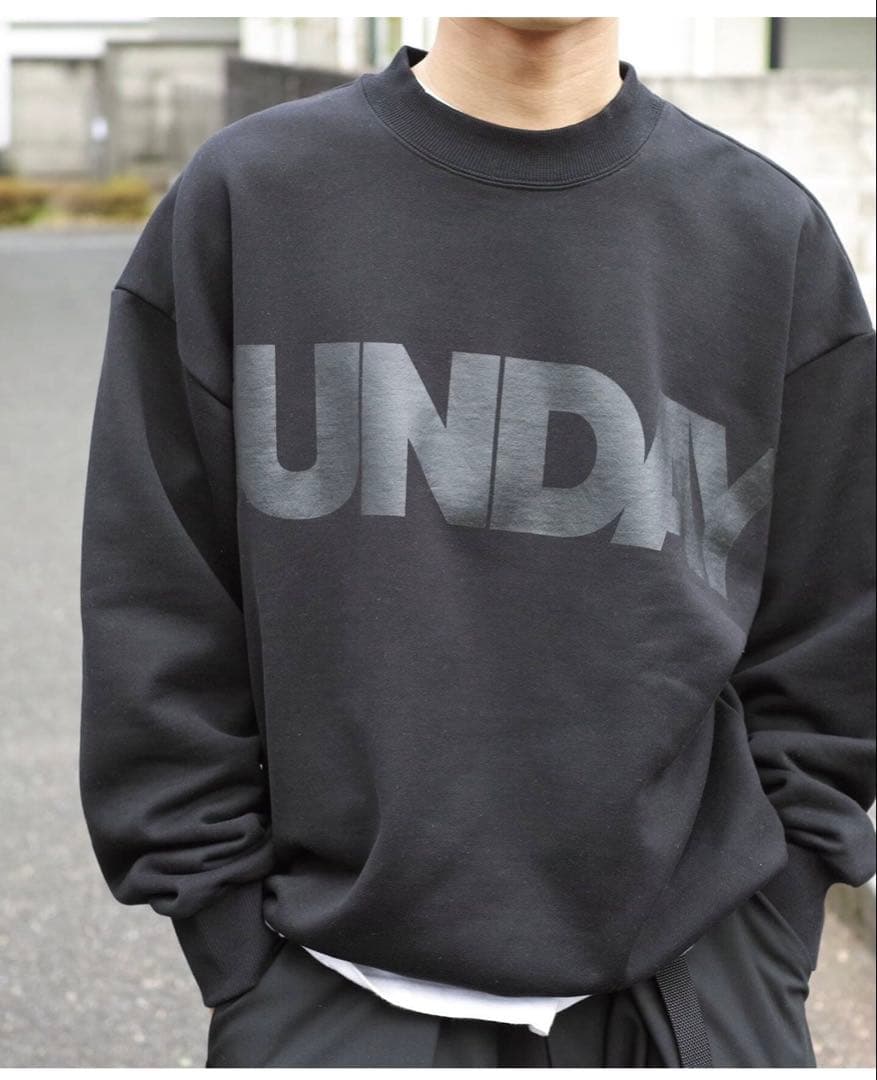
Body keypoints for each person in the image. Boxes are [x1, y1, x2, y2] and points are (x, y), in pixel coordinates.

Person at [78, 16, 876, 1068]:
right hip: (332, 1003)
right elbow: (159, 609)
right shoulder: (252, 199)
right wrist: (240, 958)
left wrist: (770, 937)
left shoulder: (766, 233)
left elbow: (830, 640)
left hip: (689, 1009)